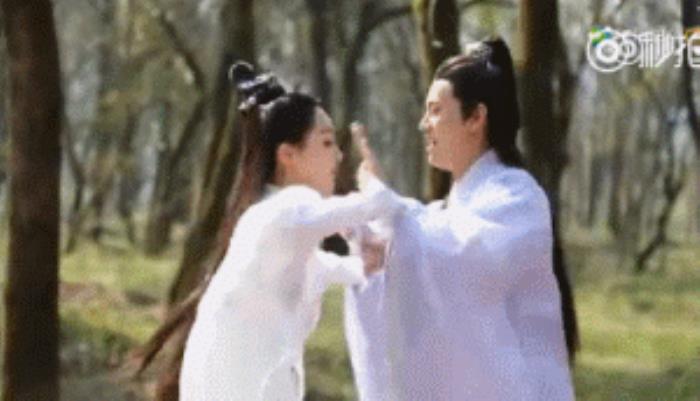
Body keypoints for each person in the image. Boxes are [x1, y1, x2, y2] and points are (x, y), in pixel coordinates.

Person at [344, 38, 577, 400]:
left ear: (475, 118)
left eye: (436, 110)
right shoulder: (448, 213)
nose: (424, 124)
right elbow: (428, 237)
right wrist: (376, 249)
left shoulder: (518, 198)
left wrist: (382, 202)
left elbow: (461, 255)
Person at [178, 62, 399, 401]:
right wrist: (373, 183)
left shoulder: (287, 240)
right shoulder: (285, 209)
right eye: (327, 143)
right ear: (288, 155)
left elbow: (353, 267)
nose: (339, 156)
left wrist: (368, 256)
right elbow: (372, 206)